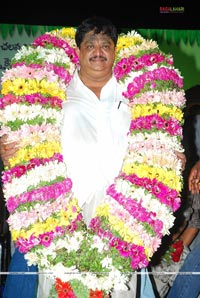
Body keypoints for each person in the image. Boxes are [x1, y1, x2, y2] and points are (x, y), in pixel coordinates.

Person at [0, 16, 186, 298]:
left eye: (105, 45)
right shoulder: (54, 90)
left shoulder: (135, 92)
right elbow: (25, 145)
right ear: (77, 51)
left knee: (119, 288)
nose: (98, 51)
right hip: (66, 208)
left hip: (119, 212)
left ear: (115, 51)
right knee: (62, 288)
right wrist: (10, 152)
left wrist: (172, 161)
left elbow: (159, 140)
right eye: (90, 44)